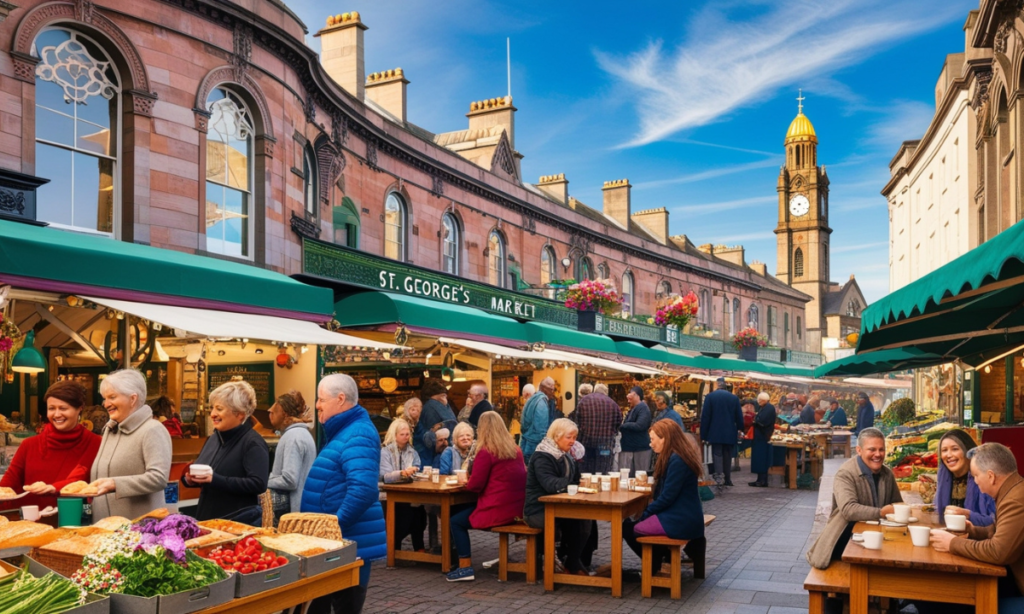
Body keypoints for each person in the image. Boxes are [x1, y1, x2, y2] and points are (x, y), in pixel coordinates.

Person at [303, 374, 385, 614]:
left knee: (344, 606)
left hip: (347, 546)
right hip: (337, 546)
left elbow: (363, 490)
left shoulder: (358, 433)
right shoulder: (346, 431)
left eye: (320, 399)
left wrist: (334, 527)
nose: (317, 405)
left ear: (340, 399)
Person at [929, 442, 1024, 611]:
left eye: (975, 476)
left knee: (952, 601)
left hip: (1018, 590)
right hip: (1014, 580)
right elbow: (995, 531)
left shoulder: (1015, 501)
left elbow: (998, 552)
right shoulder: (1013, 490)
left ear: (991, 476)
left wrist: (952, 543)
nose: (974, 481)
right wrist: (972, 531)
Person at [806, 428, 903, 569]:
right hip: (843, 540)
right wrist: (881, 512)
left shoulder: (887, 474)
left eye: (881, 450)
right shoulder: (846, 473)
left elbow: (897, 503)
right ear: (859, 450)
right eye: (872, 450)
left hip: (875, 538)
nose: (878, 454)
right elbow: (848, 510)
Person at [446, 411, 526, 582]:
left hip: (496, 508)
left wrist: (467, 481)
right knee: (461, 513)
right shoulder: (515, 450)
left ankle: (464, 567)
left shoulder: (487, 451)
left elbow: (476, 485)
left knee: (455, 521)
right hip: (516, 508)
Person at [0, 380, 101, 510]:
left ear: (79, 408)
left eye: (63, 408)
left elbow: (87, 483)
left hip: (76, 522)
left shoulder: (96, 443)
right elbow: (7, 486)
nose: (57, 414)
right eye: (51, 408)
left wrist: (54, 488)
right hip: (30, 524)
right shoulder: (29, 445)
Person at [622, 420, 706, 575]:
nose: (650, 444)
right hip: (683, 514)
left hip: (681, 519)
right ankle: (660, 560)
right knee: (630, 524)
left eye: (653, 439)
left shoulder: (677, 460)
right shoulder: (677, 456)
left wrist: (646, 513)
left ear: (664, 438)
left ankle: (654, 564)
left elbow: (667, 497)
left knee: (628, 527)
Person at [182, 381, 269, 524]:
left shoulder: (253, 443)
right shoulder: (214, 438)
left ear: (240, 414)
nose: (213, 414)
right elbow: (207, 473)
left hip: (237, 525)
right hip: (208, 520)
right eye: (212, 408)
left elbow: (258, 484)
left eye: (219, 409)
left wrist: (214, 479)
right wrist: (190, 480)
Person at [90, 369, 172, 520]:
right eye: (104, 398)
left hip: (139, 531)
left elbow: (158, 478)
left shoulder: (152, 429)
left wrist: (115, 484)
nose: (106, 404)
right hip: (105, 529)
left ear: (132, 399)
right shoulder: (110, 429)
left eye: (112, 397)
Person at [524, 418, 594, 575]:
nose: (572, 441)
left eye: (574, 438)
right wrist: (575, 484)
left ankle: (574, 560)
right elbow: (552, 485)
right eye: (568, 437)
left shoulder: (566, 455)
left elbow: (576, 479)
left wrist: (580, 482)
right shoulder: (542, 456)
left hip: (560, 506)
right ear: (556, 437)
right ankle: (567, 563)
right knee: (580, 519)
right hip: (538, 509)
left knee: (588, 518)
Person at [267, 390, 316, 523]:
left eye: (274, 410)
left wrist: (264, 481)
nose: (269, 412)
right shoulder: (300, 434)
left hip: (293, 514)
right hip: (300, 510)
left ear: (285, 413)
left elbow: (290, 480)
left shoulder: (293, 437)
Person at [379, 418, 426, 553]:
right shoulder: (385, 452)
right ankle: (395, 550)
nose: (406, 437)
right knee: (404, 517)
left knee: (420, 513)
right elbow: (385, 476)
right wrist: (403, 473)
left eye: (407, 434)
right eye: (402, 434)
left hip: (408, 492)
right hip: (388, 494)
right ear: (394, 435)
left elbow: (417, 468)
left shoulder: (412, 451)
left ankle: (419, 548)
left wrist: (416, 472)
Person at [933, 429, 995, 527]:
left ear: (968, 451)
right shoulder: (944, 478)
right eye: (944, 450)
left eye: (955, 449)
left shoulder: (985, 479)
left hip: (981, 540)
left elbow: (996, 521)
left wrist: (969, 515)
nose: (948, 455)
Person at [569, 382, 622, 474]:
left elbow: (577, 422)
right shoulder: (613, 404)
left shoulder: (584, 401)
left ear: (594, 391)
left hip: (587, 443)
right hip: (605, 445)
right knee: (603, 472)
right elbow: (619, 422)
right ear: (606, 393)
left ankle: (588, 487)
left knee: (586, 472)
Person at [700, 377, 743, 487]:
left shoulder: (710, 397)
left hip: (715, 431)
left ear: (716, 385)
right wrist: (740, 429)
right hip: (730, 432)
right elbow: (739, 416)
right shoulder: (734, 398)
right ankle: (728, 478)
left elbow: (705, 417)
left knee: (717, 454)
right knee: (728, 455)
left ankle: (719, 477)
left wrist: (703, 434)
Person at [415, 380, 456, 468]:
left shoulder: (430, 407)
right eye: (442, 394)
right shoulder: (432, 407)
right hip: (435, 455)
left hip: (433, 454)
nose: (445, 396)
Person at [520, 377, 556, 463]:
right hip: (533, 446)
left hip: (526, 442)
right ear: (543, 388)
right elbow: (540, 429)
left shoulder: (533, 398)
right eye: (551, 389)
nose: (552, 392)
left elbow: (524, 423)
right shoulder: (541, 402)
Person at [619, 386, 653, 473]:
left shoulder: (643, 408)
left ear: (637, 396)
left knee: (640, 476)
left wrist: (623, 425)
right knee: (627, 476)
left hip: (640, 448)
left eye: (631, 394)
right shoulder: (634, 408)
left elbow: (640, 425)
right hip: (630, 448)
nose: (628, 397)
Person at [748, 392, 777, 487]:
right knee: (759, 458)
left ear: (764, 400)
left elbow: (762, 421)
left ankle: (763, 480)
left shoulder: (769, 408)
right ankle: (759, 479)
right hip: (760, 437)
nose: (758, 402)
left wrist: (755, 421)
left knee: (761, 458)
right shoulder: (765, 407)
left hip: (763, 437)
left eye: (759, 400)